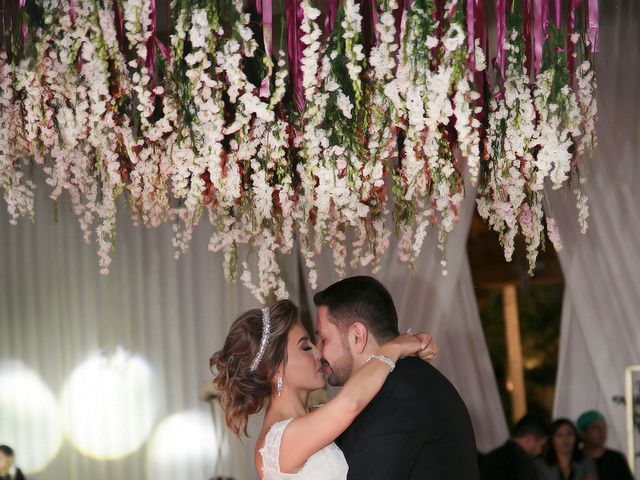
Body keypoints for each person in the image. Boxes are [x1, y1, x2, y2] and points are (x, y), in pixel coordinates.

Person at [210, 297, 437, 480]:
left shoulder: (316, 416)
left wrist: (415, 344)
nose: (318, 353)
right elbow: (350, 403)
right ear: (274, 368)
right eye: (305, 347)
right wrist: (394, 348)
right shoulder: (278, 442)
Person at [313, 276, 479, 479]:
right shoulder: (401, 380)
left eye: (323, 339)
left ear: (358, 336)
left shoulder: (398, 394)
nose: (318, 351)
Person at [480, 413, 550, 480]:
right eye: (541, 446)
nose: (540, 451)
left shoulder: (489, 458)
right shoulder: (525, 468)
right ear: (530, 440)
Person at [577, 410, 634, 480]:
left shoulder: (616, 460)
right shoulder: (574, 459)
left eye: (604, 426)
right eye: (595, 427)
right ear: (582, 433)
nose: (601, 431)